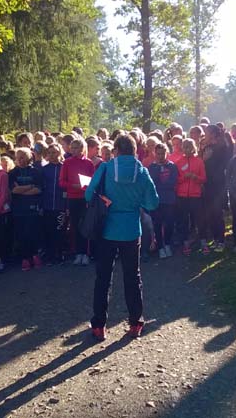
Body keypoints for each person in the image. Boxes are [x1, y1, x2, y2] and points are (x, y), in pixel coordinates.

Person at [85, 134, 159, 341]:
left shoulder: (105, 168)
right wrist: (136, 201)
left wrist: (104, 199)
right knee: (132, 277)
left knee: (103, 277)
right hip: (131, 230)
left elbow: (88, 195)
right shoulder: (142, 171)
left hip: (107, 229)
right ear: (134, 150)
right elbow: (152, 203)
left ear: (116, 150)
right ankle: (136, 323)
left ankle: (99, 325)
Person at [60, 138, 95, 266]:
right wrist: (73, 185)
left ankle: (85, 253)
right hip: (72, 197)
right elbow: (62, 182)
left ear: (82, 148)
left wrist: (86, 186)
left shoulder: (89, 163)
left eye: (76, 148)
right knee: (75, 225)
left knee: (85, 224)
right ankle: (78, 253)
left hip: (85, 197)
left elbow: (93, 180)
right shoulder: (67, 162)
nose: (74, 150)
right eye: (72, 148)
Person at [9, 148, 44, 270]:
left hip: (32, 208)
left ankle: (34, 255)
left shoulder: (36, 172)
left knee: (33, 233)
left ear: (29, 157)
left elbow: (38, 189)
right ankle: (25, 258)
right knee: (21, 234)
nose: (20, 160)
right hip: (18, 209)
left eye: (23, 157)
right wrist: (30, 186)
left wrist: (22, 190)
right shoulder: (12, 173)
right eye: (18, 158)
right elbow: (14, 190)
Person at [175, 139, 206, 256]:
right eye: (184, 147)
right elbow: (176, 180)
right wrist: (184, 177)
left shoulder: (199, 161)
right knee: (184, 220)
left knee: (199, 219)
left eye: (189, 147)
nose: (186, 149)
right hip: (182, 196)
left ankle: (203, 242)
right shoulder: (178, 162)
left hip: (195, 195)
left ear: (193, 148)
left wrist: (194, 177)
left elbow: (204, 179)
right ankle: (186, 243)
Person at [199, 125, 228, 254]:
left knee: (218, 213)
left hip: (218, 185)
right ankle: (215, 239)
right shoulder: (206, 148)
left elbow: (223, 166)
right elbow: (200, 164)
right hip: (207, 184)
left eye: (206, 132)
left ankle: (221, 240)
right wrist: (204, 159)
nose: (204, 135)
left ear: (213, 134)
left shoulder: (223, 147)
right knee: (210, 213)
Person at [148, 143, 178, 259]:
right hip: (157, 200)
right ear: (155, 154)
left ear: (167, 153)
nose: (160, 156)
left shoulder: (172, 166)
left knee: (169, 223)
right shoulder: (152, 167)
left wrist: (160, 185)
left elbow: (172, 182)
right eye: (158, 154)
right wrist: (160, 183)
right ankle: (160, 246)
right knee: (157, 223)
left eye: (162, 154)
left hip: (169, 200)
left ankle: (167, 243)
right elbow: (152, 182)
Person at [41, 144, 67, 265]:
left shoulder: (64, 167)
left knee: (60, 230)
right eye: (50, 153)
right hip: (47, 205)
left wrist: (66, 205)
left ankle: (59, 253)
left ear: (59, 153)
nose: (52, 155)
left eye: (54, 152)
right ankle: (50, 255)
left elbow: (66, 187)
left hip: (60, 205)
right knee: (48, 230)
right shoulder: (44, 169)